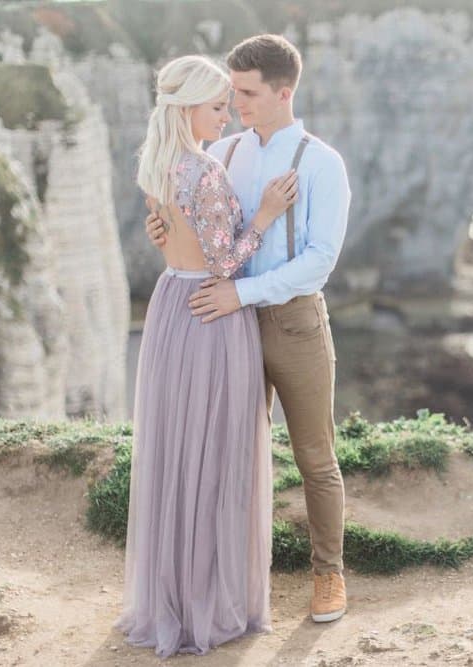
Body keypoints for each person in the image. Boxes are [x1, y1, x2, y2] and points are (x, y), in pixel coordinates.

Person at [146, 34, 352, 623]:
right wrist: (163, 231)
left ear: (283, 93)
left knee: (314, 456)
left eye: (247, 93)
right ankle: (229, 582)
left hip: (291, 322)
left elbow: (320, 260)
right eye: (231, 92)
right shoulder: (223, 152)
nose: (235, 103)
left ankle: (329, 576)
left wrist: (242, 292)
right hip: (223, 327)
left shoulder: (321, 163)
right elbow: (204, 229)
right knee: (229, 454)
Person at [115, 54, 300, 657]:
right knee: (218, 452)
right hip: (212, 314)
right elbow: (225, 263)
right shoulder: (204, 171)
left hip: (171, 304)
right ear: (188, 107)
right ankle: (208, 604)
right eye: (218, 106)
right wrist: (266, 215)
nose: (227, 117)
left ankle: (171, 597)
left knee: (176, 450)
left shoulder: (158, 165)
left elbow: (174, 238)